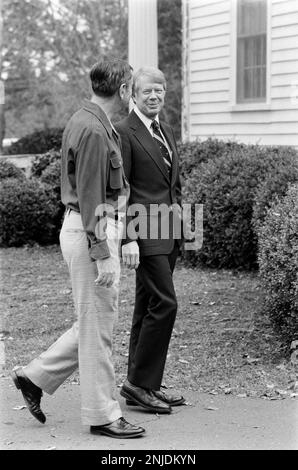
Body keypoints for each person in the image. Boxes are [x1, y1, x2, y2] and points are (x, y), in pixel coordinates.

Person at [11, 59, 145, 439]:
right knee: (98, 328)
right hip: (92, 230)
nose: (132, 95)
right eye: (131, 88)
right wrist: (101, 251)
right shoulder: (92, 130)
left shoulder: (94, 122)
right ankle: (102, 415)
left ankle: (34, 378)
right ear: (121, 91)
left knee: (94, 320)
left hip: (94, 227)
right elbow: (90, 197)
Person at [115, 67, 185, 414]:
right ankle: (138, 384)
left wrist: (183, 229)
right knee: (166, 303)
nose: (154, 96)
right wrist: (127, 238)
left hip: (168, 229)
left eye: (160, 90)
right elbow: (121, 189)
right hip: (143, 231)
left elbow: (173, 185)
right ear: (133, 95)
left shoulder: (164, 128)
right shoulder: (124, 132)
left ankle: (145, 383)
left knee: (147, 306)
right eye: (147, 92)